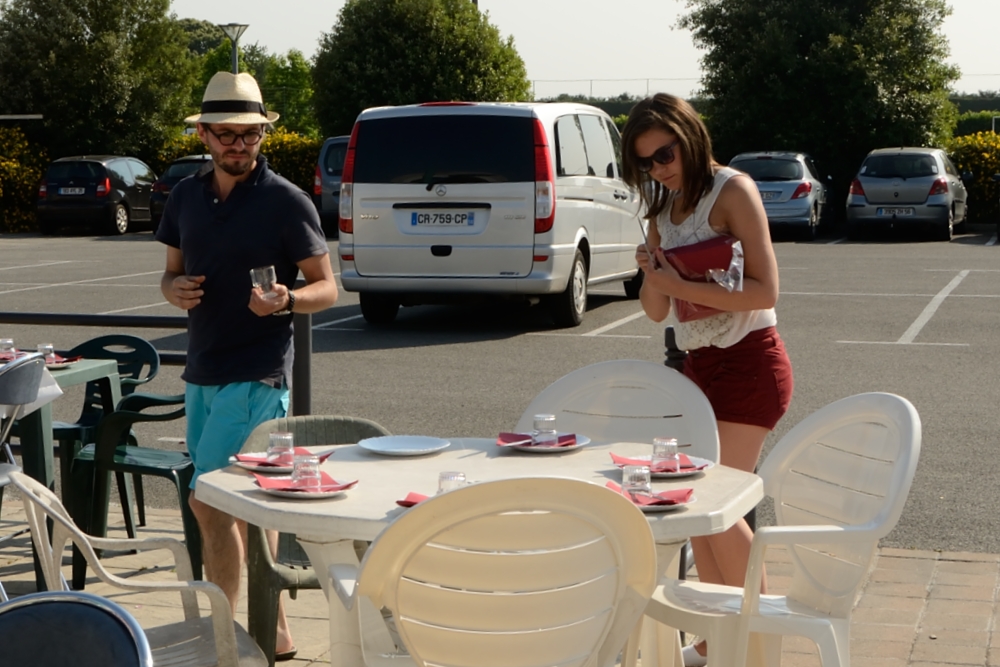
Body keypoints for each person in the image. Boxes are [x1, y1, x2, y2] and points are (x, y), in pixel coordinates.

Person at [156, 71, 339, 662]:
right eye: (228, 134)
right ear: (204, 134)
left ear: (264, 135)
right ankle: (276, 631)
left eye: (251, 134)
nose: (240, 145)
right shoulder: (185, 196)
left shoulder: (286, 200)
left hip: (258, 374)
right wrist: (174, 289)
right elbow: (169, 275)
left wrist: (287, 299)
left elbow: (328, 288)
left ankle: (223, 638)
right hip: (202, 371)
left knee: (208, 502)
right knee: (249, 505)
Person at [620, 93, 794, 666]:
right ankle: (720, 638)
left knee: (712, 503)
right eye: (645, 162)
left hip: (749, 362)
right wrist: (652, 272)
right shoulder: (662, 211)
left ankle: (758, 646)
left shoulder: (733, 191)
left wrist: (677, 283)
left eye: (664, 154)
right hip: (697, 367)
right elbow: (655, 312)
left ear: (690, 137)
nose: (658, 169)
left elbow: (766, 290)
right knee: (696, 508)